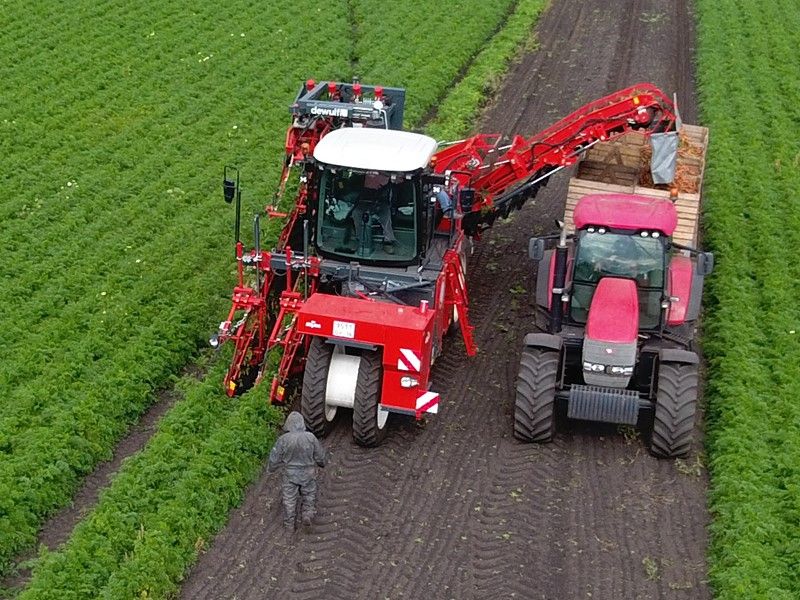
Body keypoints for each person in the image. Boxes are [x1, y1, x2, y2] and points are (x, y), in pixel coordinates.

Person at [267, 411, 327, 531]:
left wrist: (271, 468)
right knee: (309, 494)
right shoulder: (310, 437)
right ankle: (307, 514)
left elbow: (274, 457)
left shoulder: (283, 439)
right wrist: (322, 463)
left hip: (290, 474)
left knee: (289, 499)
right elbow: (320, 455)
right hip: (308, 472)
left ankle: (289, 524)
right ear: (302, 423)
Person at [350, 172, 398, 253]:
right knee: (356, 212)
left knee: (386, 214)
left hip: (382, 200)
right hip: (365, 198)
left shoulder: (388, 170)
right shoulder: (364, 172)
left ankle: (388, 241)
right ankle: (359, 239)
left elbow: (399, 179)